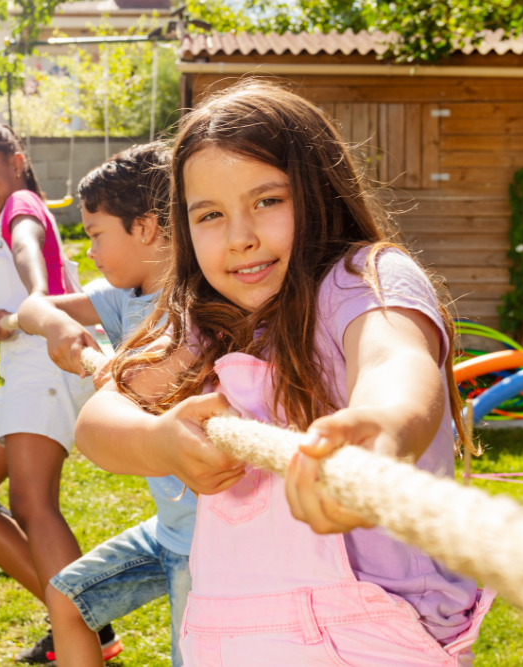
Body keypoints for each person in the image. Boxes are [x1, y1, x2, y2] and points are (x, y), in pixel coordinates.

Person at [74, 80, 495, 666]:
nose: (241, 238)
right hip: (234, 632)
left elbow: (395, 359)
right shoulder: (206, 321)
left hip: (378, 637)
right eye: (210, 215)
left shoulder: (364, 279)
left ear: (320, 193)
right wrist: (159, 440)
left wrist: (380, 430)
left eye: (268, 201)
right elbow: (98, 422)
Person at [16, 142, 195, 667]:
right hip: (170, 529)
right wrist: (57, 325)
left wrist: (111, 371)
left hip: (208, 543)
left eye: (96, 234)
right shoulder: (123, 298)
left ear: (145, 227)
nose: (89, 251)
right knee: (67, 598)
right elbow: (32, 308)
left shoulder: (199, 308)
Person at [0, 121, 113, 664]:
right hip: (19, 375)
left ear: (16, 163)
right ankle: (84, 620)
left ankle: (82, 630)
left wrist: (38, 296)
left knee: (31, 504)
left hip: (47, 368)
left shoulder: (21, 206)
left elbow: (27, 247)